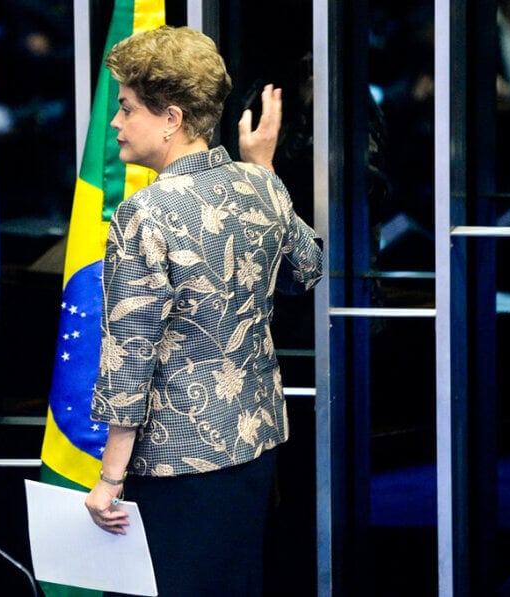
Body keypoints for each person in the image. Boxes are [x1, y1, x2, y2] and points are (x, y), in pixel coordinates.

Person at [84, 26, 323, 596]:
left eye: (126, 108)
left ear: (170, 118)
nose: (115, 123)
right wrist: (262, 172)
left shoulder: (144, 212)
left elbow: (129, 353)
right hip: (255, 445)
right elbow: (307, 270)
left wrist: (109, 478)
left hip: (177, 460)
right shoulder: (258, 183)